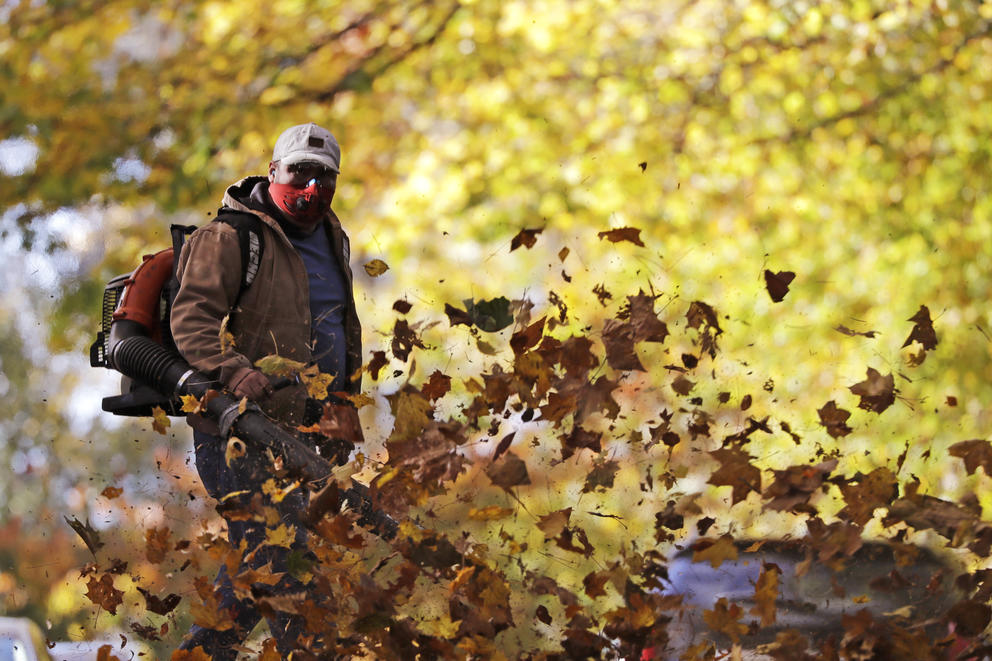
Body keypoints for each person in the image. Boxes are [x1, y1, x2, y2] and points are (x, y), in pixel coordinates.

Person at [170, 122, 363, 659]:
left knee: (264, 569)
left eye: (324, 176)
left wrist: (343, 414)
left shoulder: (333, 239)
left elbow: (340, 331)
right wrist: (233, 371)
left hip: (302, 437)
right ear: (273, 170)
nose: (311, 187)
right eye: (300, 171)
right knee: (282, 561)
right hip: (235, 430)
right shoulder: (231, 236)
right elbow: (192, 319)